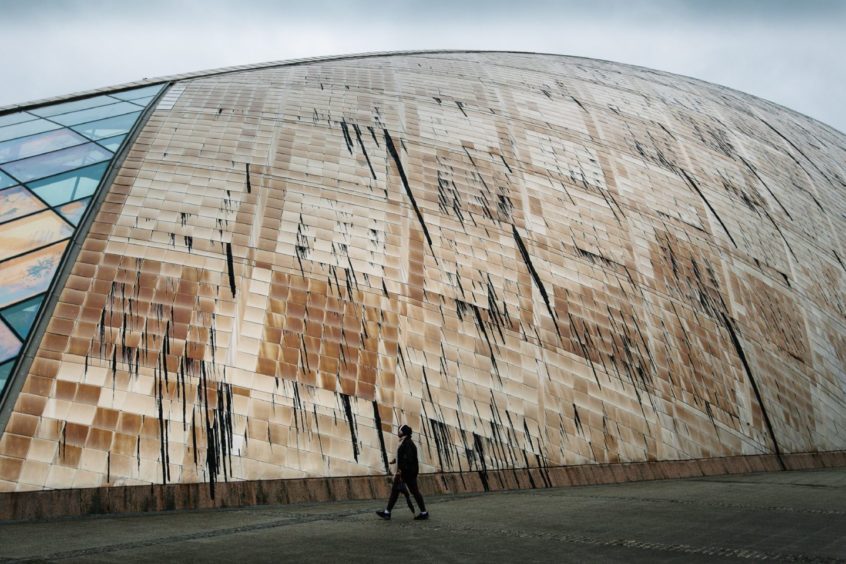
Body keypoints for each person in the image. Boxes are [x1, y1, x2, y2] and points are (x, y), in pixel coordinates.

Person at [376, 424, 428, 520]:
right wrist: (395, 460)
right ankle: (387, 512)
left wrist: (400, 471)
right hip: (407, 473)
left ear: (404, 433)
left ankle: (423, 512)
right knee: (397, 492)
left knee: (413, 492)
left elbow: (408, 458)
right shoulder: (405, 442)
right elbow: (403, 455)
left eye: (400, 430)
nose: (398, 432)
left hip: (406, 473)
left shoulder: (407, 443)